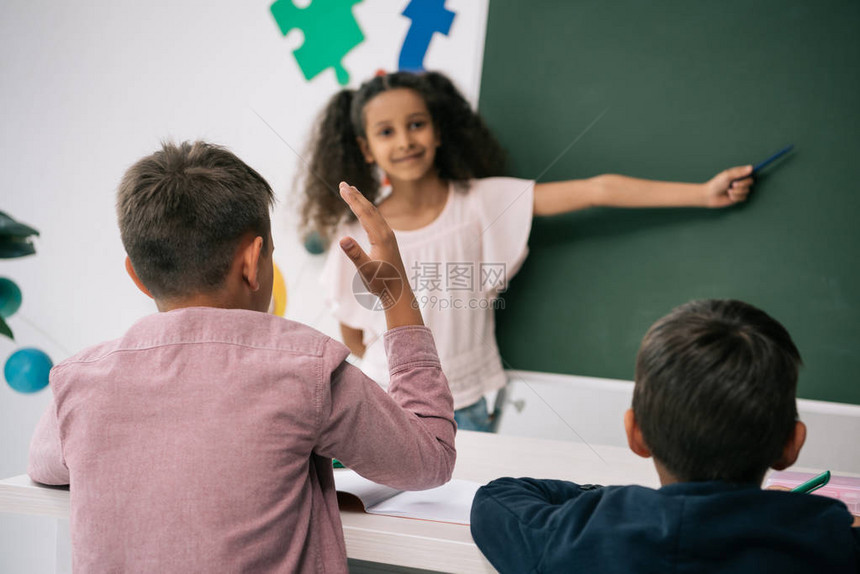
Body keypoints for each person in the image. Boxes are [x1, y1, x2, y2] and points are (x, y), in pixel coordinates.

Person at [27, 141, 456, 573]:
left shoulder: (78, 382)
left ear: (137, 276)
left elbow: (44, 466)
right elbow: (431, 460)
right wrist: (396, 296)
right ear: (253, 262)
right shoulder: (309, 369)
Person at [301, 70, 756, 432]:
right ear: (366, 148)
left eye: (416, 124)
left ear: (438, 132)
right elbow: (356, 337)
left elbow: (597, 190)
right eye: (386, 132)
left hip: (469, 407)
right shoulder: (355, 230)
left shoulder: (481, 203)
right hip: (387, 407)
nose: (404, 141)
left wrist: (702, 193)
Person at [470, 299, 860, 573]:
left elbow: (496, 499)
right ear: (791, 444)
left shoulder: (581, 536)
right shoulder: (828, 541)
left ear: (636, 434)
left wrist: (614, 501)